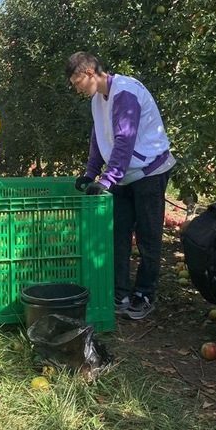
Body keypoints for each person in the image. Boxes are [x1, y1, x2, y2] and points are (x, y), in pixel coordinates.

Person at [66, 51, 177, 320]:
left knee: (149, 236)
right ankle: (121, 292)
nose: (76, 88)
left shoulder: (124, 93)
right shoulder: (97, 99)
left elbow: (124, 139)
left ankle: (145, 293)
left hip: (149, 171)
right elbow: (99, 136)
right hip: (125, 174)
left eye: (77, 81)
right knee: (119, 233)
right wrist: (91, 172)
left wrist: (107, 179)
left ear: (90, 72)